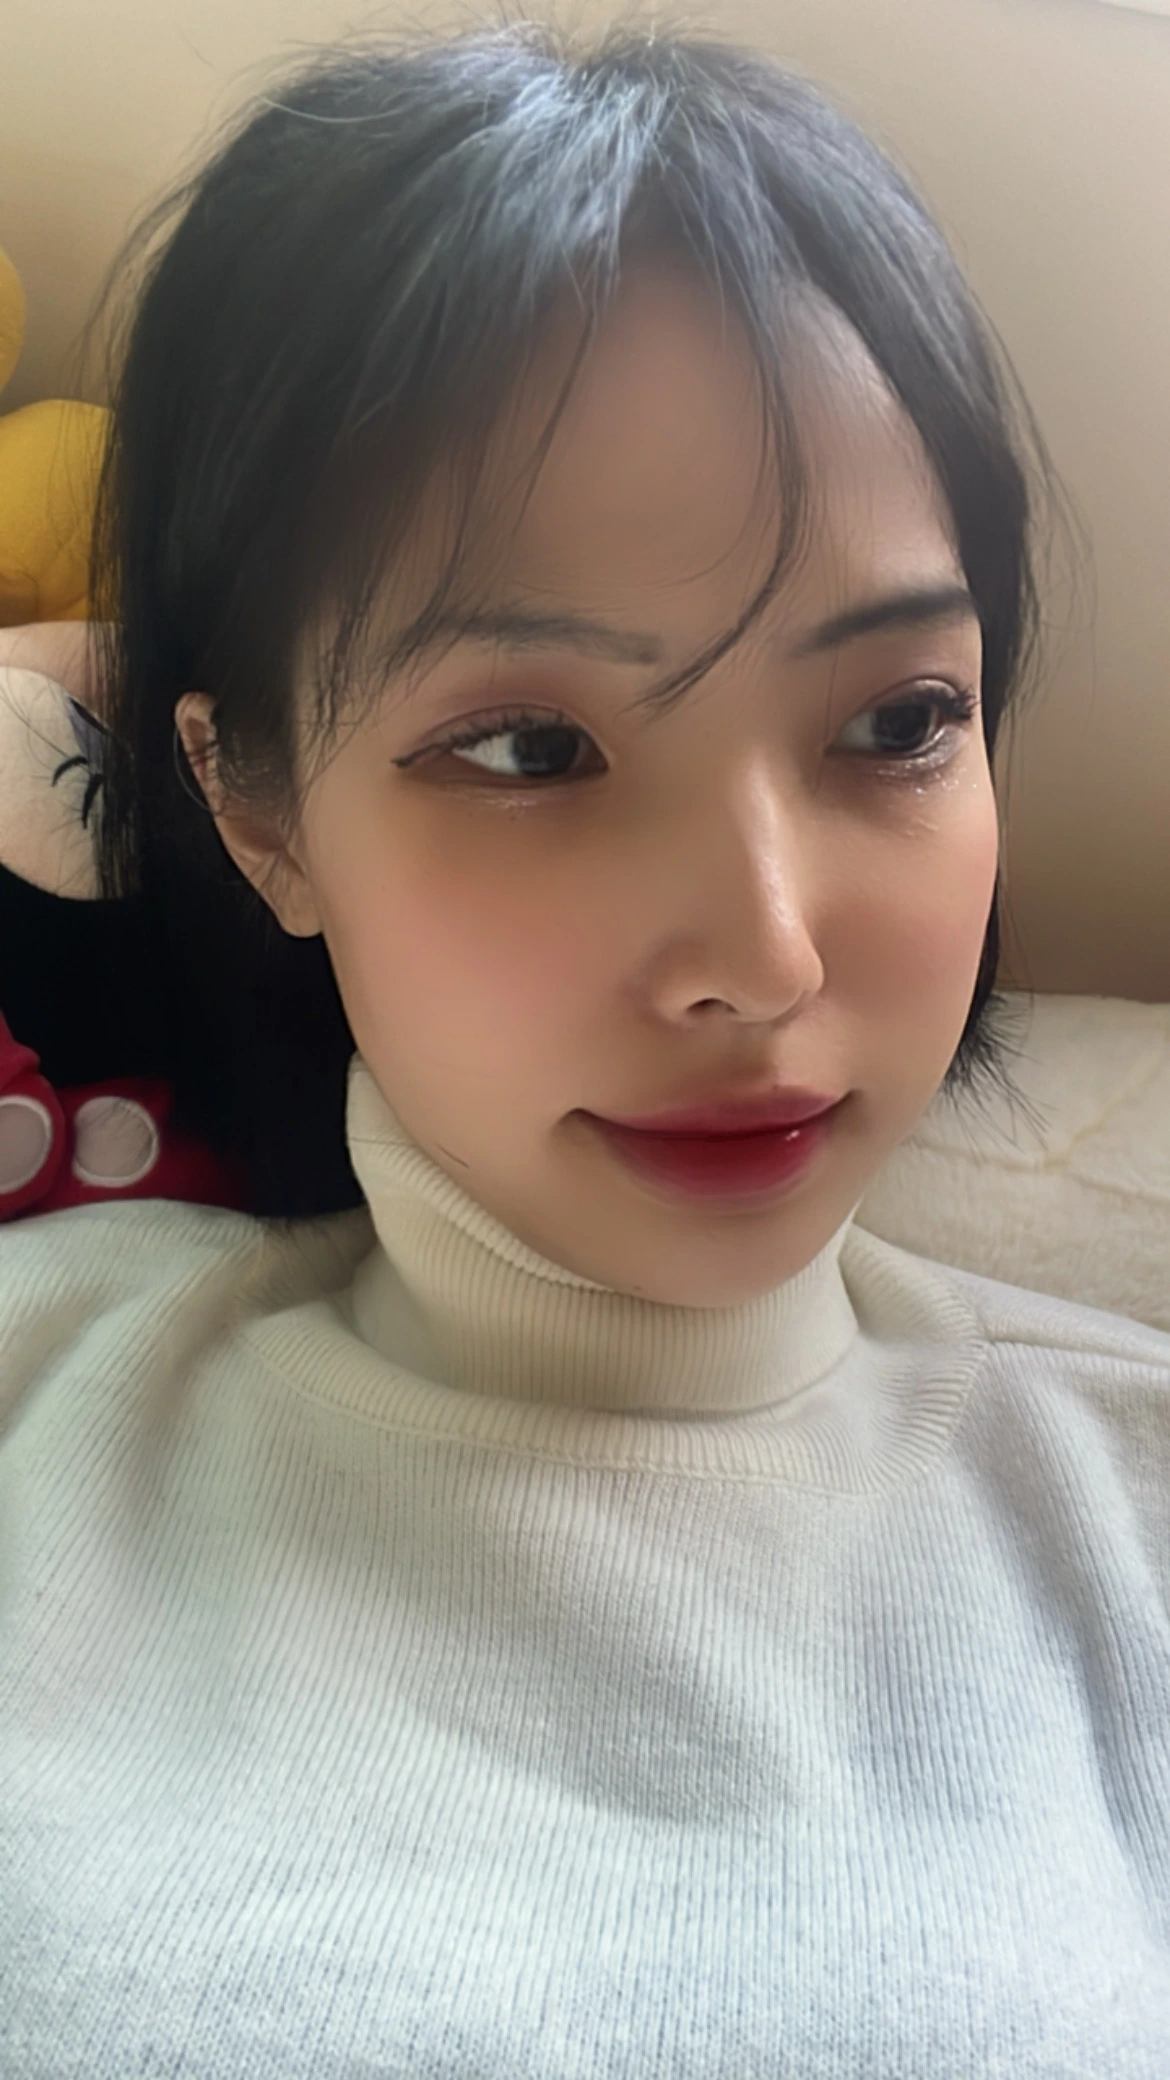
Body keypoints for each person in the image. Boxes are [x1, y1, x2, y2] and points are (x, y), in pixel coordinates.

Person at [1, 23, 1167, 2076]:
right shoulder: (44, 1397)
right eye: (531, 748)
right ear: (256, 806)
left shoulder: (1126, 1506)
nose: (763, 957)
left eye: (897, 720)